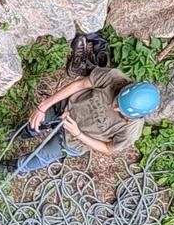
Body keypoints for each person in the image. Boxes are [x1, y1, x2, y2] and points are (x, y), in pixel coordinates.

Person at [25, 66, 161, 163]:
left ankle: (14, 167)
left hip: (74, 141)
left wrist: (77, 133)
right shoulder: (114, 77)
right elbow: (79, 85)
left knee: (42, 155)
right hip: (63, 109)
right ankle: (18, 134)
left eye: (122, 111)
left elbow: (108, 148)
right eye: (118, 101)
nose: (115, 107)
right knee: (33, 124)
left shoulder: (131, 131)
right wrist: (43, 107)